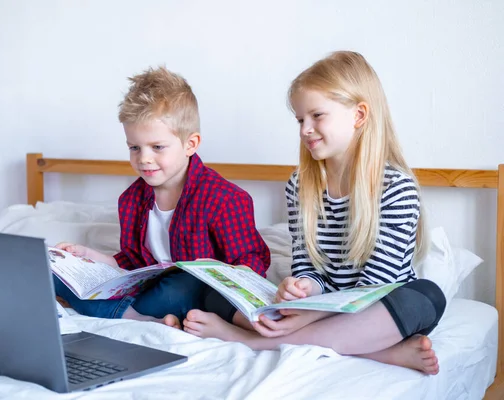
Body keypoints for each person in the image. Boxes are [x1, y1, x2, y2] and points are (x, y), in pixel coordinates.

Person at [182, 51, 446, 375]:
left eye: (317, 115)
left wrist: (312, 314)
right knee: (213, 294)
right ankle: (382, 353)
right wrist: (303, 288)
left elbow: (378, 285)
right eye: (299, 119)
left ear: (359, 115)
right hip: (320, 309)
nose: (305, 129)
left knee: (427, 297)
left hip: (375, 305)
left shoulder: (396, 188)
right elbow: (308, 266)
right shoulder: (300, 185)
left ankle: (252, 341)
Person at [55, 66, 271, 328]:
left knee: (182, 284)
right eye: (134, 147)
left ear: (190, 144)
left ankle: (126, 313)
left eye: (157, 147)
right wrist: (88, 256)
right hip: (147, 290)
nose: (144, 158)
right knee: (54, 275)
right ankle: (140, 316)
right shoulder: (132, 199)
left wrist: (221, 270)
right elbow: (131, 262)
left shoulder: (224, 199)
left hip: (189, 289)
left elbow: (252, 261)